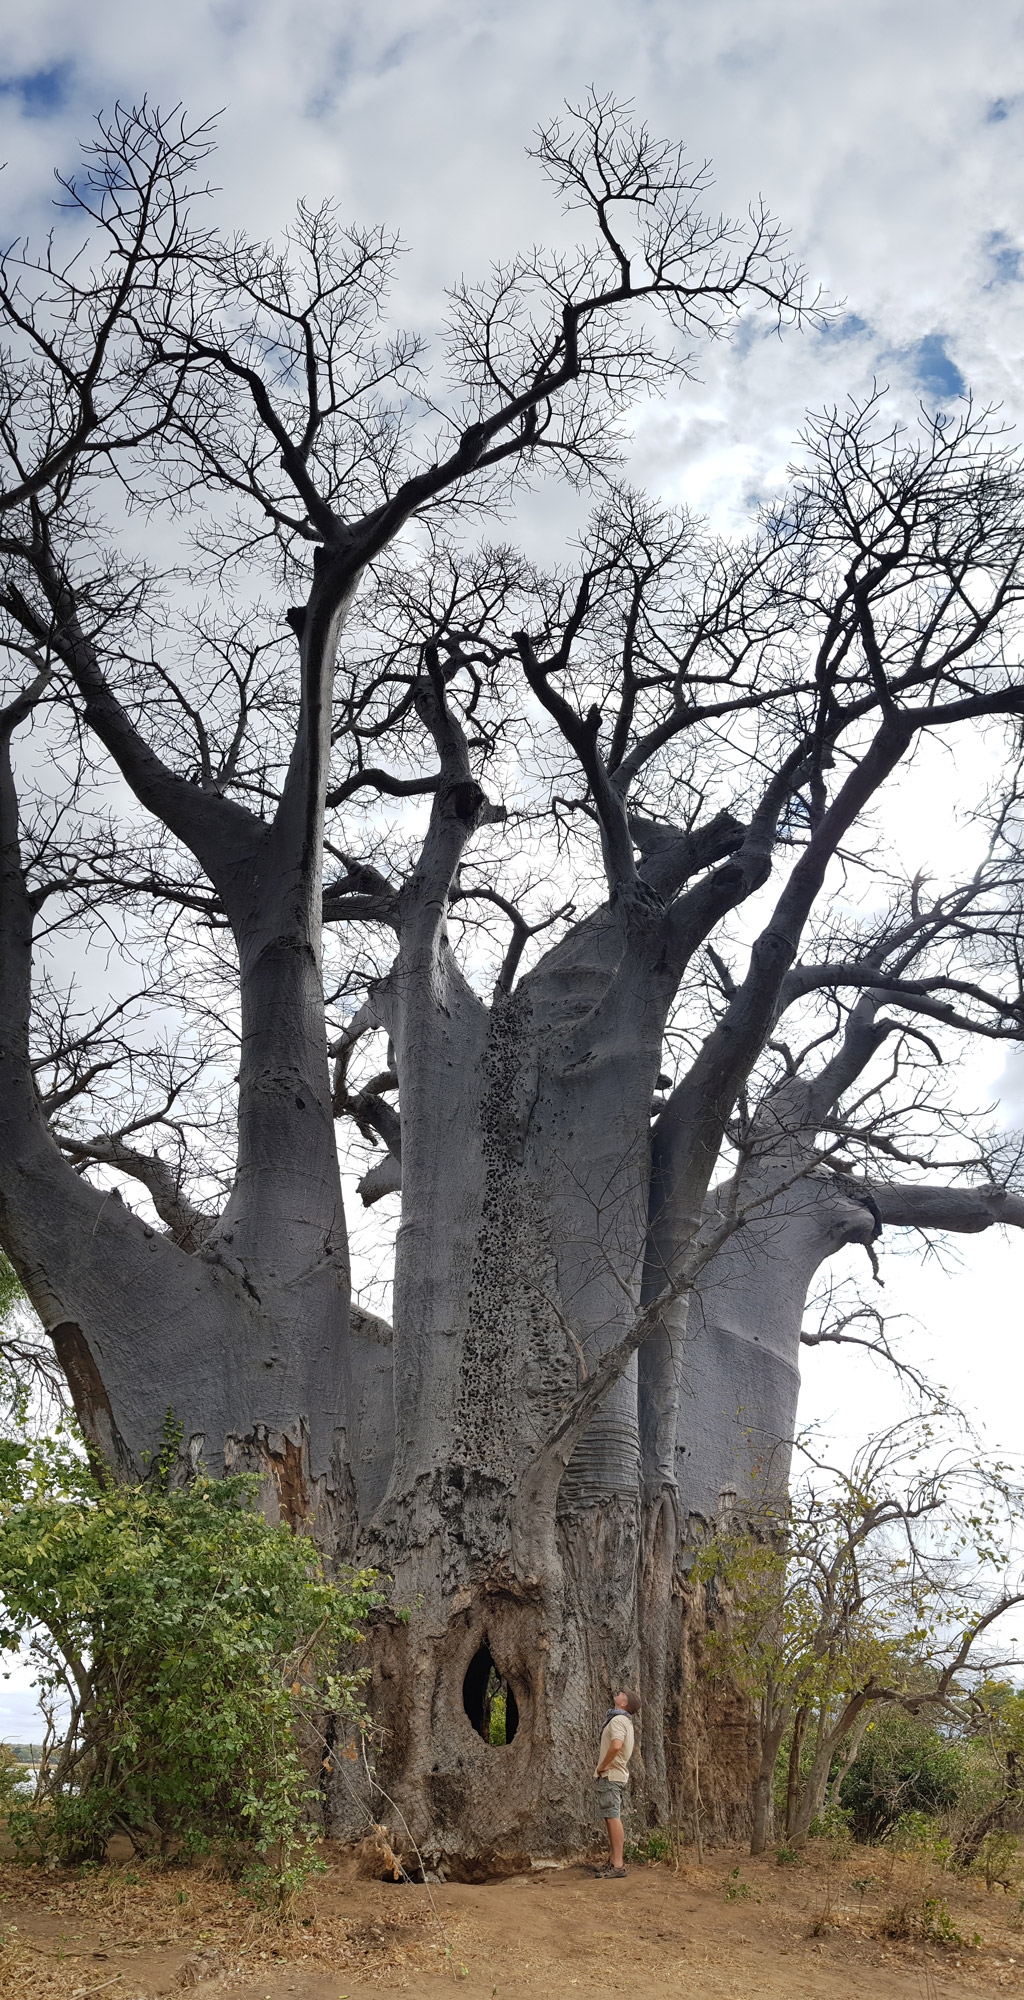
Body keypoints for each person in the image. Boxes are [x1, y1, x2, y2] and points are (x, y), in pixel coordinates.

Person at [593, 1688, 640, 1877]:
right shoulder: (623, 1720)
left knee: (613, 1817)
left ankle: (618, 1865)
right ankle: (614, 1861)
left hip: (611, 1774)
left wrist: (602, 1766)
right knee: (611, 1817)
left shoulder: (619, 1720)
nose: (619, 1693)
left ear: (624, 1704)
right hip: (615, 1774)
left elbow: (616, 1745)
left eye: (623, 1694)